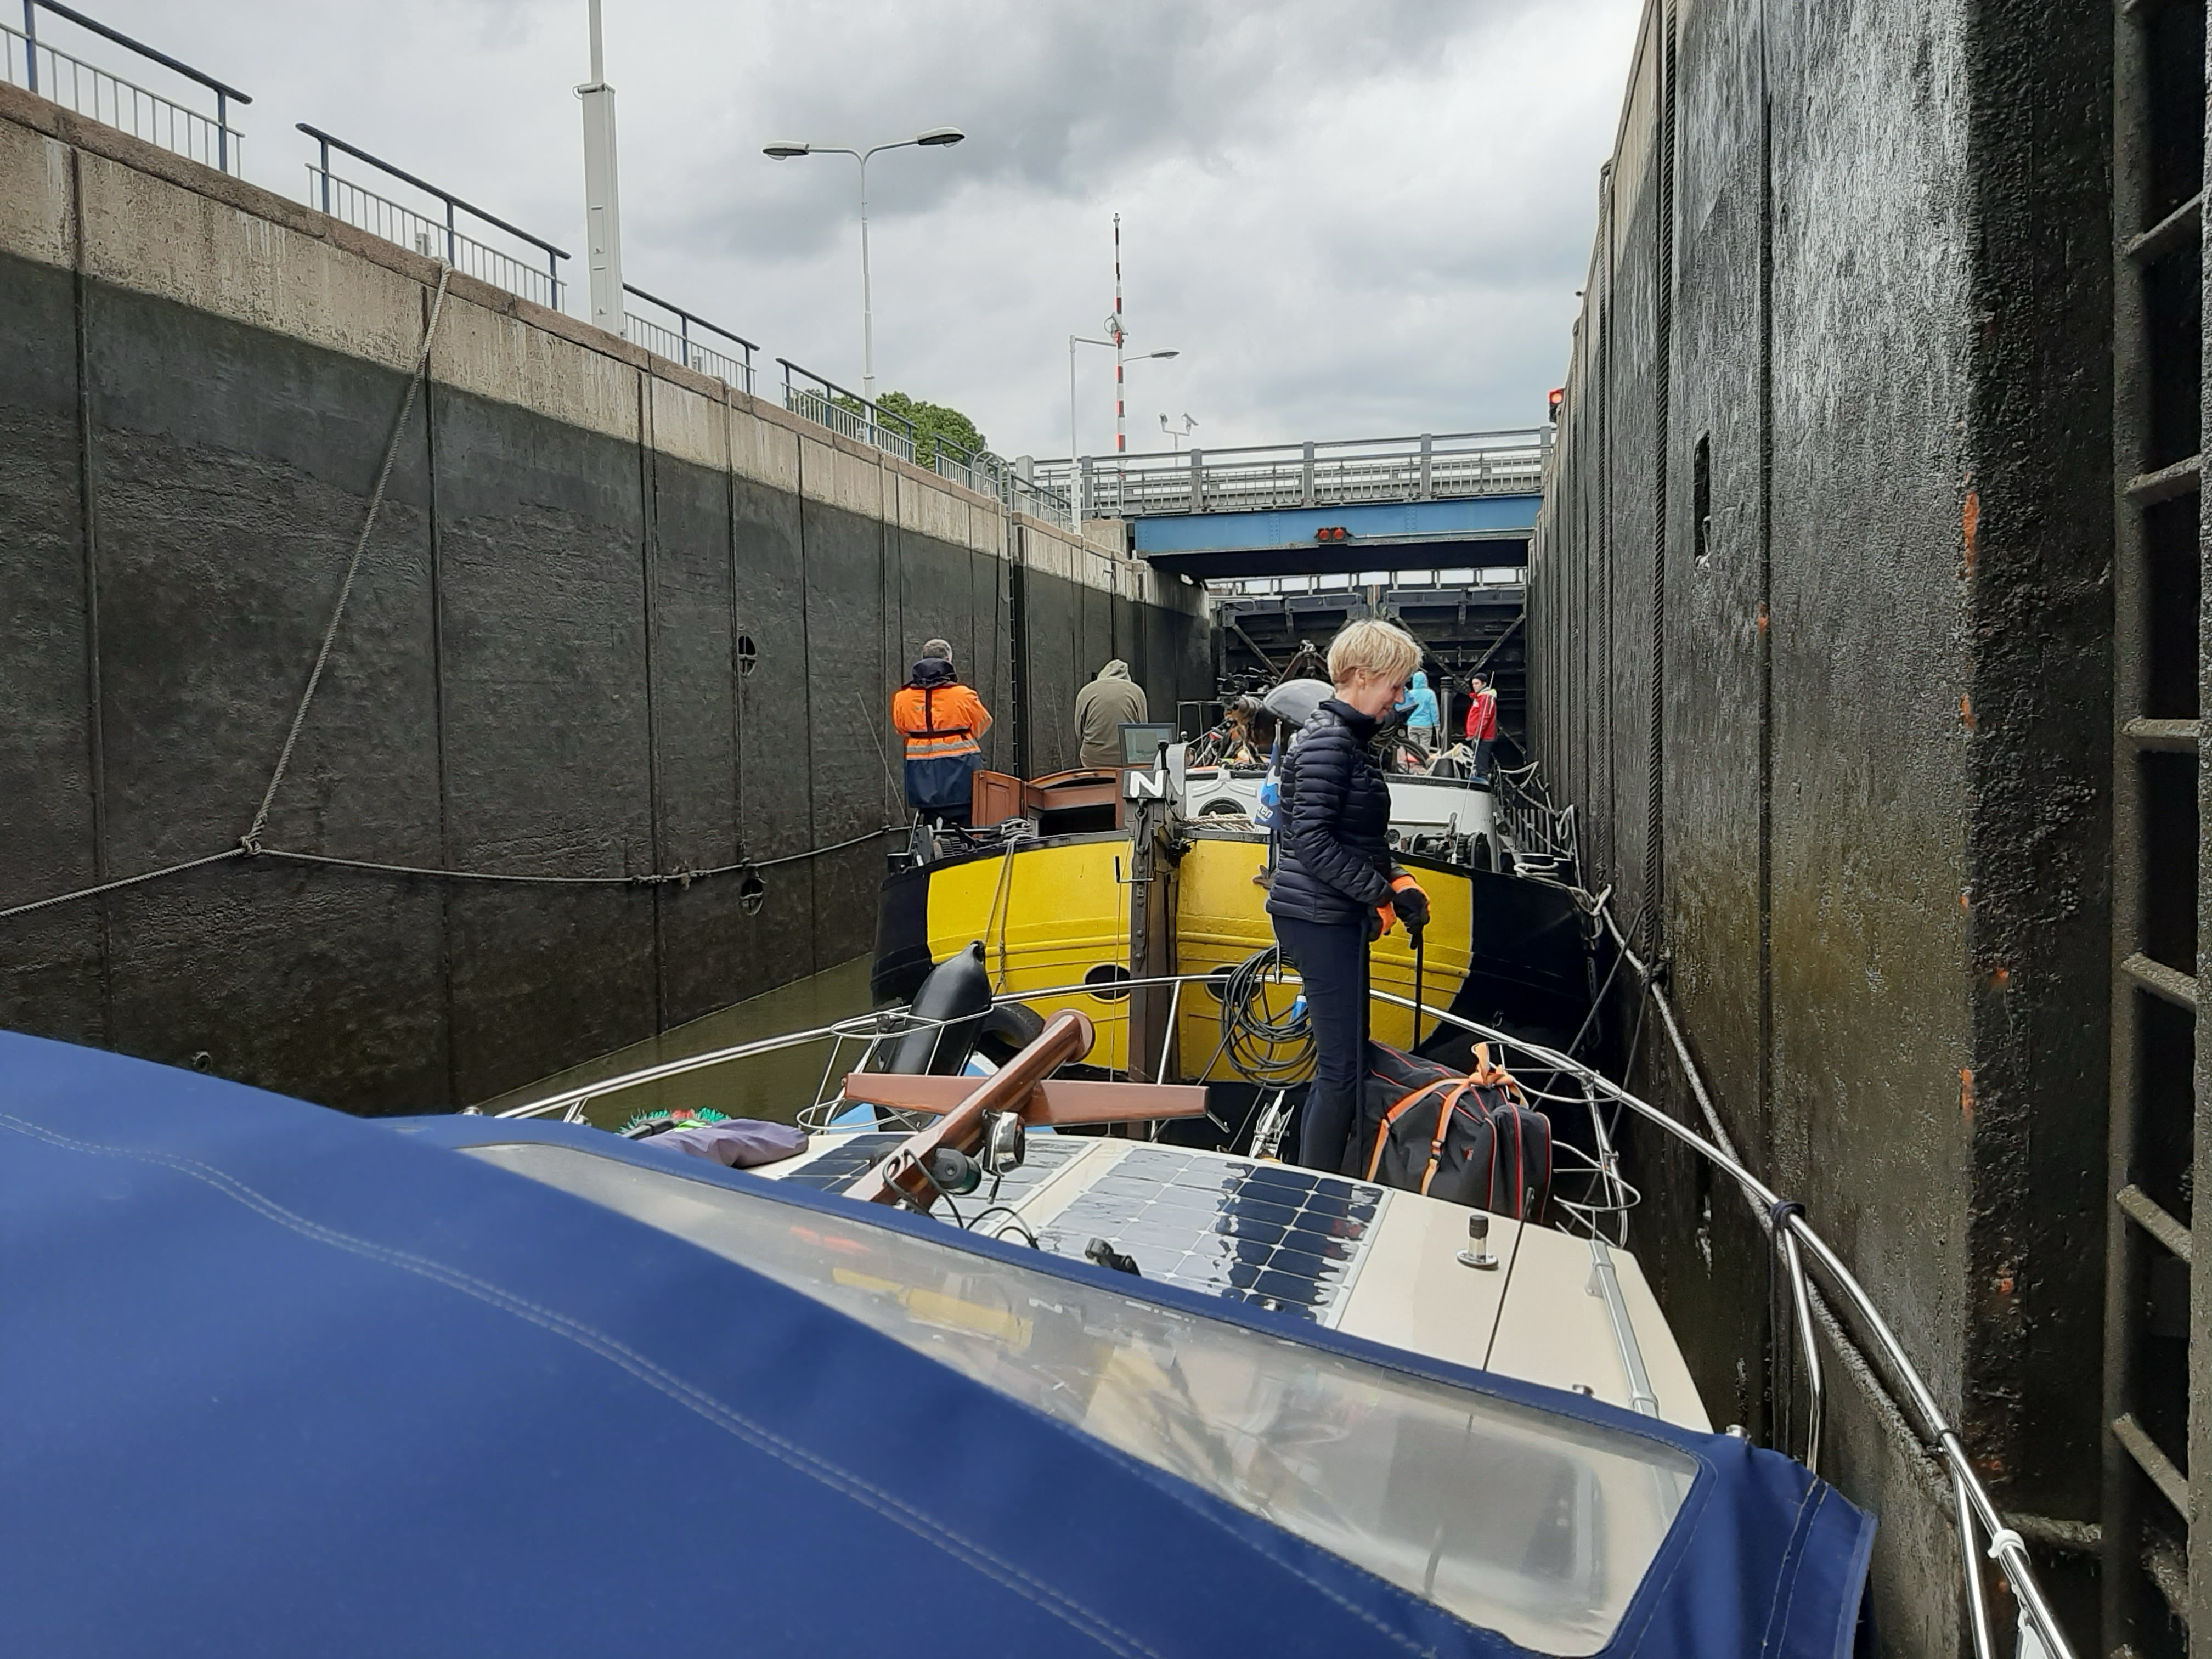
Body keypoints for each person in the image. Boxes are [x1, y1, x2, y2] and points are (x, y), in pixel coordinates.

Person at [1266, 618, 1430, 1175]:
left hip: (1331, 913)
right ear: (1362, 677)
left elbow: (1356, 837)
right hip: (1320, 918)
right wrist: (1379, 894)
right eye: (1396, 685)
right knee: (1340, 1069)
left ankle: (1333, 1179)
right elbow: (1309, 841)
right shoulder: (1330, 744)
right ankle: (1321, 1193)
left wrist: (1399, 880)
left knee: (1349, 1061)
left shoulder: (1346, 742)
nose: (1400, 699)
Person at [891, 639, 992, 827]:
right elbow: (983, 724)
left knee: (929, 828)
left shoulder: (901, 698)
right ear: (948, 661)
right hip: (961, 772)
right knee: (967, 828)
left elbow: (901, 730)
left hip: (921, 775)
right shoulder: (964, 695)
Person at [1074, 659, 1148, 769]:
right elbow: (1143, 728)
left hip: (1092, 760)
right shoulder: (1136, 691)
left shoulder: (1086, 691)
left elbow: (1079, 731)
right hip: (1128, 760)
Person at [1464, 671, 1499, 780]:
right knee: (1477, 763)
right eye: (1473, 684)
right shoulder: (1479, 697)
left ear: (1484, 684)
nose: (1474, 686)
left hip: (1484, 737)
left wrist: (1477, 735)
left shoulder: (1487, 697)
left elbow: (1485, 717)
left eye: (1477, 684)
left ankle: (1484, 784)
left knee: (1481, 765)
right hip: (1477, 736)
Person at [1400, 669, 1440, 752]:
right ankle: (1424, 763)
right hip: (1426, 726)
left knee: (1413, 749)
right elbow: (1434, 710)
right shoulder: (1430, 693)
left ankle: (1414, 763)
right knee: (1424, 749)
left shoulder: (1410, 694)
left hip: (1412, 725)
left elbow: (1405, 710)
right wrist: (1436, 724)